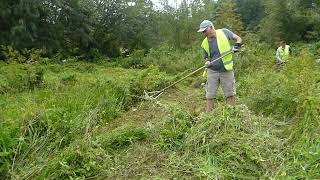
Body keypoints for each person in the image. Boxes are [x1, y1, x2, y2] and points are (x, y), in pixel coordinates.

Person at [197, 20, 242, 112]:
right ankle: (208, 117)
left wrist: (237, 46)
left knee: (230, 94)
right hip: (212, 71)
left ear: (211, 27)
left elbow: (238, 39)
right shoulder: (204, 43)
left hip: (226, 70)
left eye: (205, 31)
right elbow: (207, 57)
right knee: (210, 95)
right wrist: (207, 62)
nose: (204, 33)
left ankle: (231, 114)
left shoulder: (224, 32)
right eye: (202, 32)